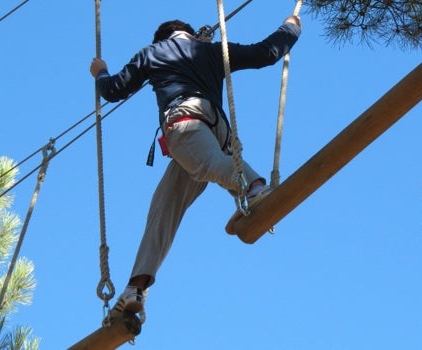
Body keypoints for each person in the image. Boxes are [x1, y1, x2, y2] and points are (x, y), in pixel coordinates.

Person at [89, 15, 301, 318]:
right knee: (164, 206)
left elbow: (112, 90)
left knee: (210, 165)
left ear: (162, 39)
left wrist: (100, 72)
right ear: (189, 35)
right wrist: (290, 28)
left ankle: (255, 188)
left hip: (185, 120)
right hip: (217, 128)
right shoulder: (213, 51)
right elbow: (265, 53)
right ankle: (135, 289)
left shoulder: (153, 53)